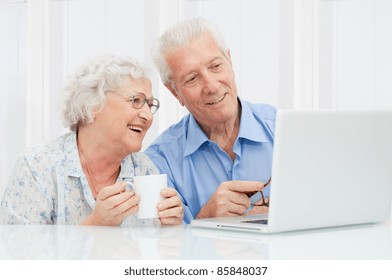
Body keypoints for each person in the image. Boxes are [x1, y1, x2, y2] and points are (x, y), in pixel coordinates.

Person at [0, 55, 184, 226]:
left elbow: (153, 254)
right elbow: (17, 253)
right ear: (92, 105)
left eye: (150, 105)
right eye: (136, 100)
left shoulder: (144, 169)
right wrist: (94, 226)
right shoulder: (38, 166)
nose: (148, 116)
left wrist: (170, 231)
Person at [145, 17, 276, 224]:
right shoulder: (157, 163)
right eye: (192, 78)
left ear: (230, 62)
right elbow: (160, 251)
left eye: (215, 66)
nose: (212, 86)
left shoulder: (286, 130)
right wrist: (205, 220)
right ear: (174, 92)